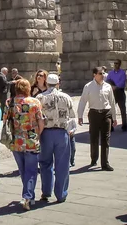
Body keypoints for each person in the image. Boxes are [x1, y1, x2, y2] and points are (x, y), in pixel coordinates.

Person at [3, 78, 44, 211]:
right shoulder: (35, 102)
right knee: (31, 171)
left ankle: (28, 195)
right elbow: (41, 122)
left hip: (16, 141)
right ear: (28, 89)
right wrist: (37, 134)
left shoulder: (10, 102)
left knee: (23, 170)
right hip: (31, 141)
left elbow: (4, 120)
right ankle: (27, 196)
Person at [37, 73, 75, 203]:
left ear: (46, 83)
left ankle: (46, 192)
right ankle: (61, 194)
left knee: (45, 163)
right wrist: (70, 131)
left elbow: (37, 117)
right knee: (63, 164)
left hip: (46, 133)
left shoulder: (40, 97)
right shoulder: (66, 97)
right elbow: (71, 117)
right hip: (61, 133)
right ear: (58, 83)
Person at [77, 67, 117, 171]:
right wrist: (80, 116)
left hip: (106, 113)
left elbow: (112, 102)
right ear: (94, 75)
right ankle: (94, 158)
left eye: (103, 73)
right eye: (100, 73)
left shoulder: (108, 86)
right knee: (94, 137)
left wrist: (114, 117)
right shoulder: (88, 86)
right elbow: (82, 101)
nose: (102, 75)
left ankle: (105, 163)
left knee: (106, 138)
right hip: (94, 113)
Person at [107, 59, 127, 131]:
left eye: (117, 63)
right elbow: (107, 80)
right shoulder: (110, 73)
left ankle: (124, 125)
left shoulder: (122, 73)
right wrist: (111, 86)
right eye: (114, 63)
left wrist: (116, 87)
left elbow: (122, 82)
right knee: (111, 109)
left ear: (119, 64)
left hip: (120, 92)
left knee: (122, 109)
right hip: (112, 93)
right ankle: (111, 125)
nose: (115, 65)